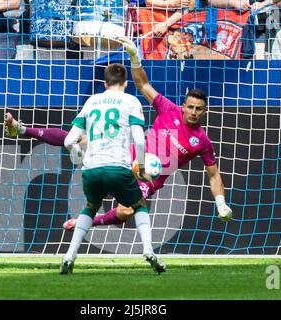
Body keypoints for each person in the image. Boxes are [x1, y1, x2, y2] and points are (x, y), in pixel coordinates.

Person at [62, 36, 233, 232]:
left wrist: (221, 203)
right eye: (190, 107)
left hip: (149, 177)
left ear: (204, 111)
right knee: (82, 139)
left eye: (199, 109)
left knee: (126, 212)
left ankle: (85, 222)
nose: (193, 112)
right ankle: (28, 131)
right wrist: (135, 57)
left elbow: (214, 175)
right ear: (183, 107)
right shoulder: (169, 109)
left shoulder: (202, 141)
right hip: (132, 157)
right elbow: (143, 85)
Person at [58, 63, 165, 275]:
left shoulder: (91, 101)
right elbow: (139, 141)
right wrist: (142, 167)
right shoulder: (131, 101)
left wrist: (78, 153)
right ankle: (148, 250)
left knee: (90, 207)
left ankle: (70, 256)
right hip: (117, 167)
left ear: (105, 83)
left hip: (90, 170)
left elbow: (69, 140)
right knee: (139, 204)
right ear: (126, 82)